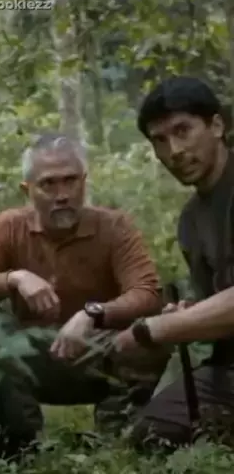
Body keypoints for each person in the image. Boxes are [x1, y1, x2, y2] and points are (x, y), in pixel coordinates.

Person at [0, 132, 171, 462]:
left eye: (70, 181)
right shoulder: (10, 227)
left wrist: (92, 313)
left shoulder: (114, 226)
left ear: (84, 181)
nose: (62, 195)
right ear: (27, 190)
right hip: (31, 356)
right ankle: (10, 447)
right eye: (48, 184)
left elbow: (146, 293)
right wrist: (15, 278)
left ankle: (123, 430)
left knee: (155, 334)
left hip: (99, 351)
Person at [113, 75, 234, 449]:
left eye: (183, 131)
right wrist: (189, 314)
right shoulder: (191, 220)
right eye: (160, 140)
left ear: (217, 126)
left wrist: (158, 328)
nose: (175, 151)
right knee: (151, 435)